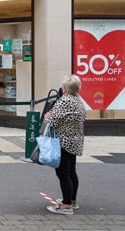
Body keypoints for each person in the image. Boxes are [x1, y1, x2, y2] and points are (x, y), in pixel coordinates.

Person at [44, 74, 86, 215]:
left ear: (65, 89)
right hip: (75, 140)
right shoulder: (79, 101)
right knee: (71, 170)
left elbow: (53, 122)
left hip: (64, 142)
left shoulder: (64, 102)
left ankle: (66, 205)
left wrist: (47, 116)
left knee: (63, 173)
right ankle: (72, 200)